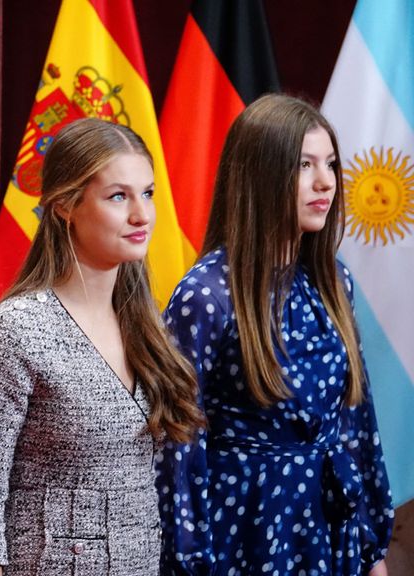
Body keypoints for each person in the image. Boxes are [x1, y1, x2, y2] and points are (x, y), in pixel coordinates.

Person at [0, 118, 206, 575]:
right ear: (65, 205)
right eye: (118, 196)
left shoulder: (144, 322)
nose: (141, 215)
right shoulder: (15, 331)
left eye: (147, 194)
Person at [158, 93, 394, 576]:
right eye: (304, 165)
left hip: (329, 525)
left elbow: (356, 419)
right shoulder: (205, 294)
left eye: (330, 164)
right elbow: (177, 444)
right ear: (261, 175)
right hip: (246, 527)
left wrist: (373, 548)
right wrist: (187, 558)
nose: (325, 182)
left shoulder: (331, 279)